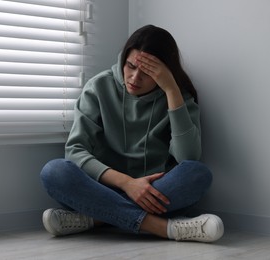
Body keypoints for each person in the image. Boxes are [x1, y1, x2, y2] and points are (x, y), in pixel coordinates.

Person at [40, 25, 224, 242]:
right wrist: (127, 183)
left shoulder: (177, 96)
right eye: (130, 66)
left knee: (198, 173)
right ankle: (165, 228)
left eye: (147, 73)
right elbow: (75, 151)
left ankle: (96, 218)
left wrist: (172, 91)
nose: (135, 78)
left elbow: (188, 157)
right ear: (123, 59)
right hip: (103, 188)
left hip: (154, 192)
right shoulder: (99, 87)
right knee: (54, 171)